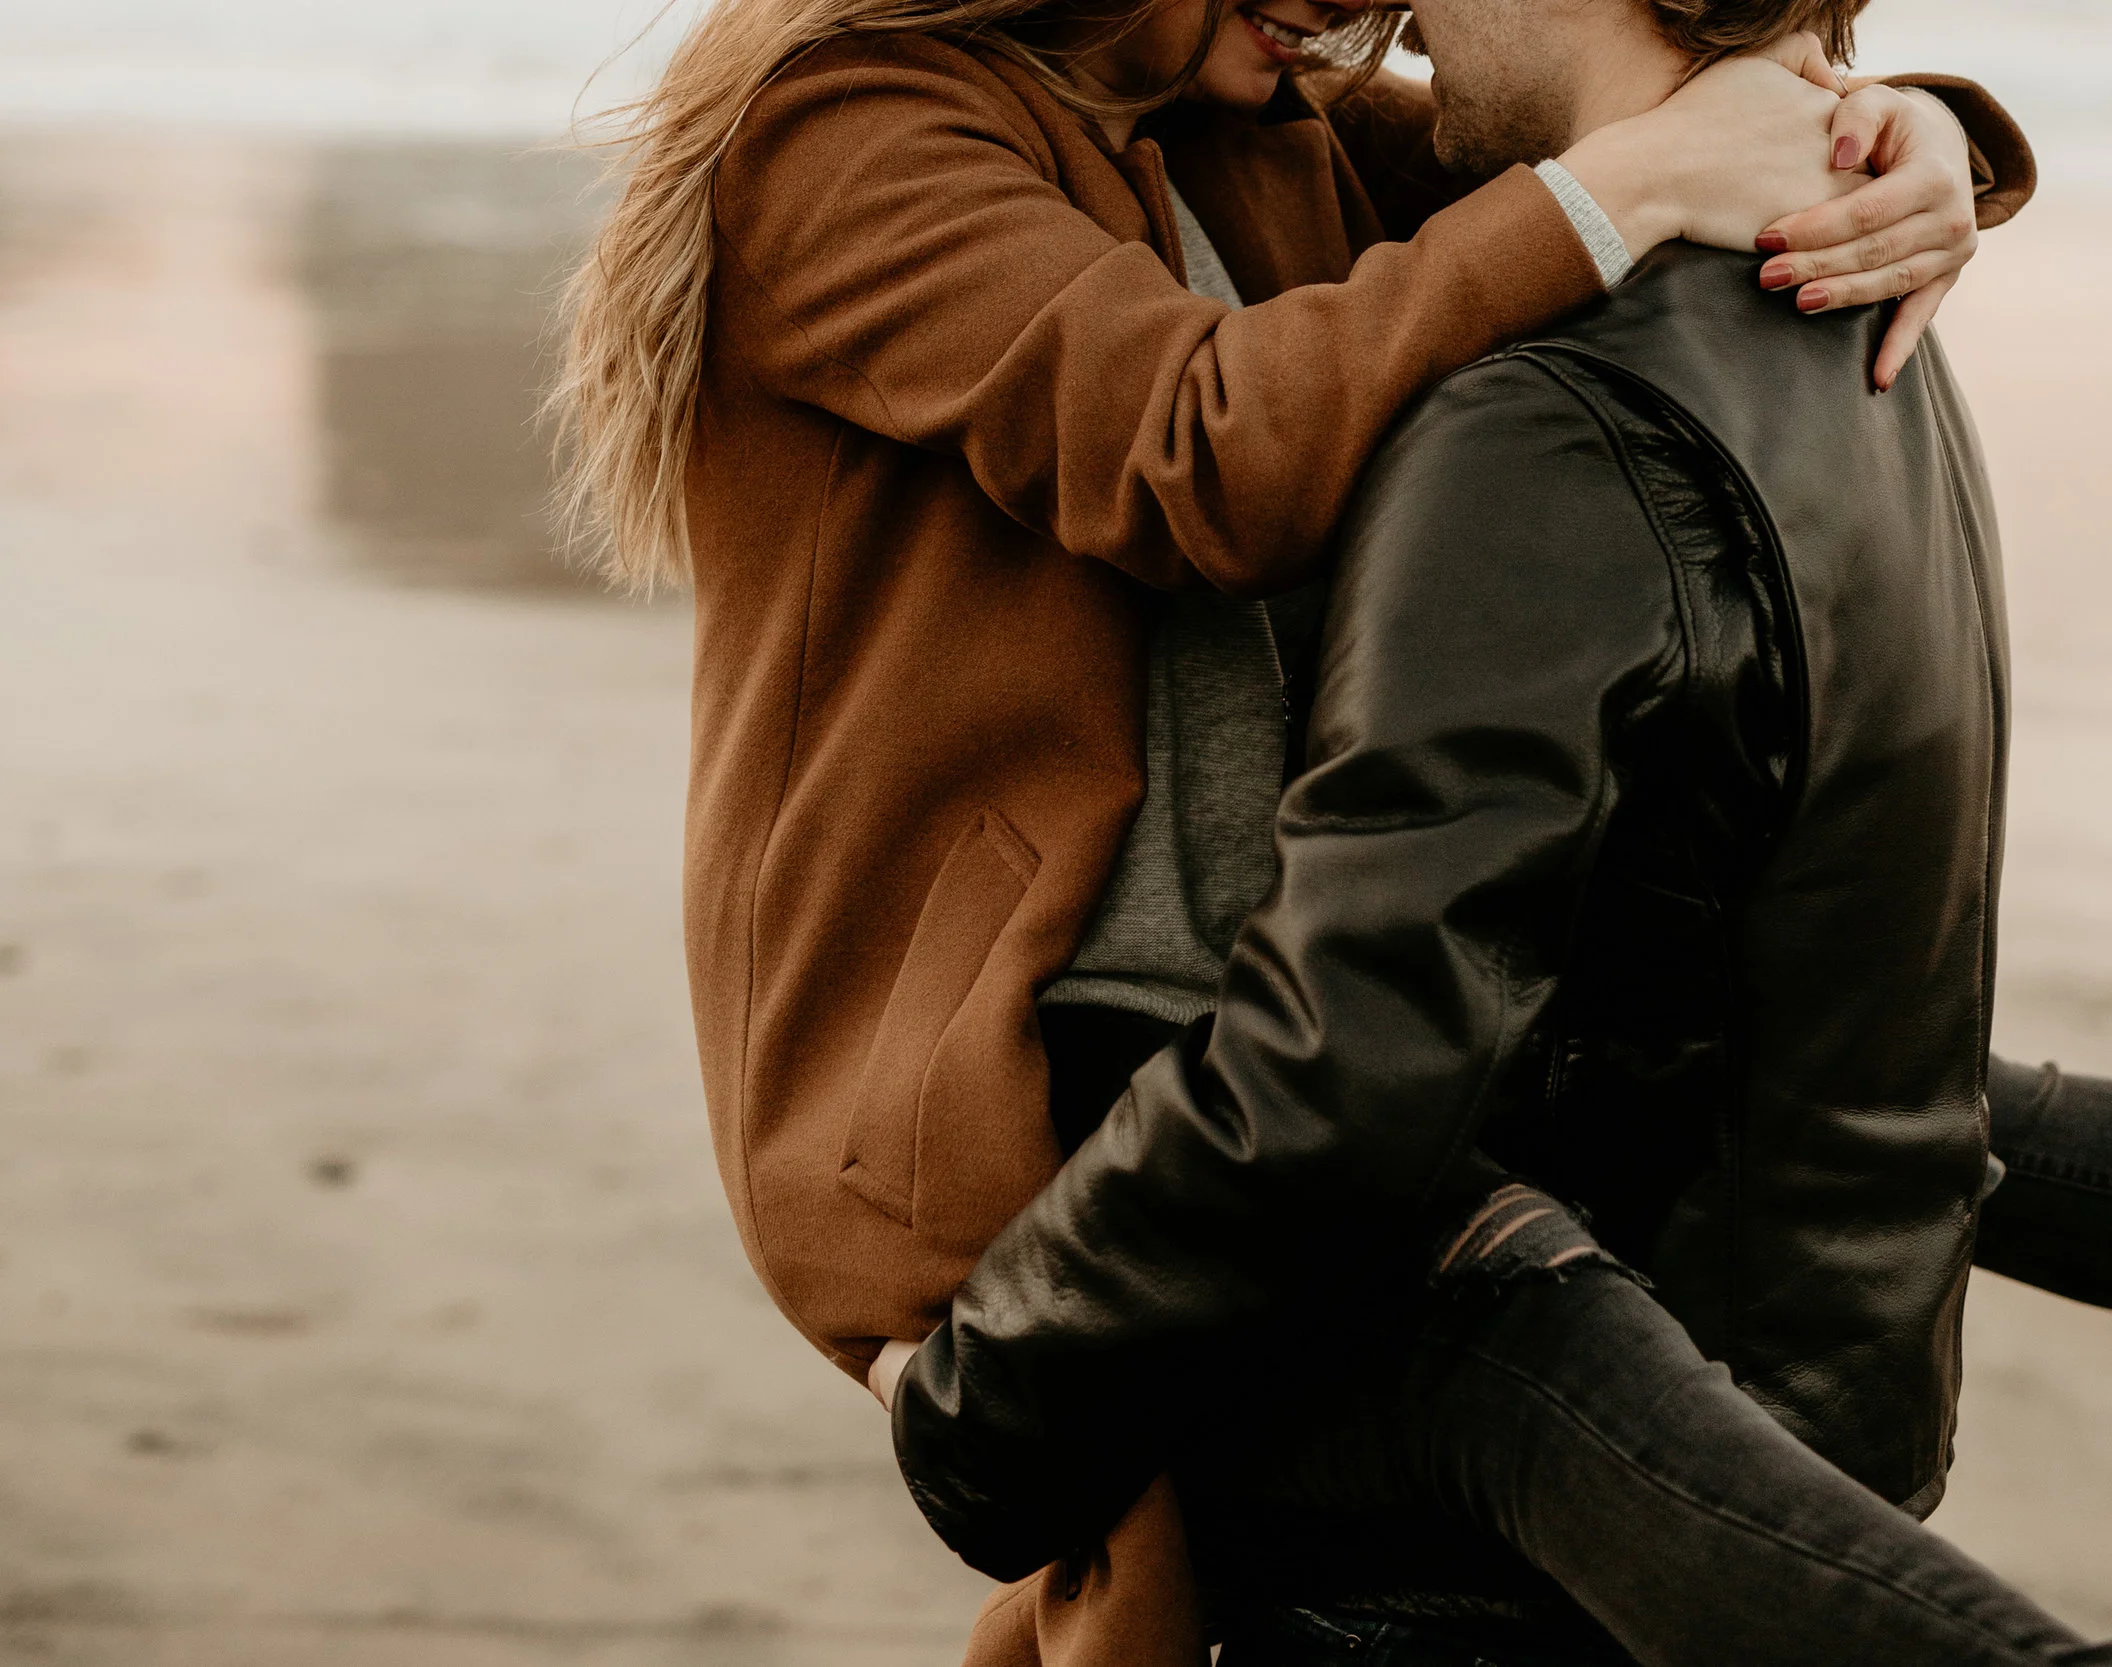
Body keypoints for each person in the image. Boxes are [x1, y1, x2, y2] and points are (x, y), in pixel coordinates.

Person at [882, 2, 2112, 1664]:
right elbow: (1879, 1073)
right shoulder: (1856, 317)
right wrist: (1891, 125)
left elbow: (1341, 1060)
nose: (1406, 7)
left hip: (1539, 1545)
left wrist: (982, 1406)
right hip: (1813, 1434)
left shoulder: (1545, 420)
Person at [550, 0, 2026, 1662]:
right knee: (1544, 1361)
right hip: (1006, 1051)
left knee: (1881, 1104)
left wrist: (1902, 136)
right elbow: (1199, 448)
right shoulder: (845, 135)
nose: (1362, 5)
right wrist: (1628, 186)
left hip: (1267, 1032)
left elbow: (1545, 115)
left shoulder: (1241, 103)